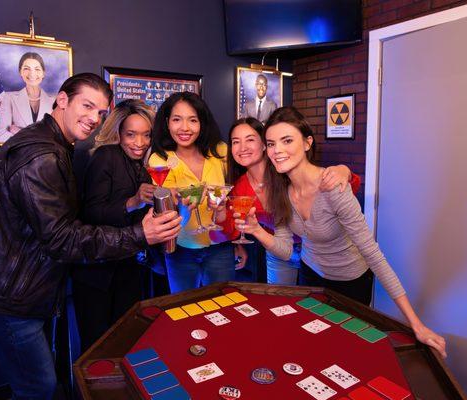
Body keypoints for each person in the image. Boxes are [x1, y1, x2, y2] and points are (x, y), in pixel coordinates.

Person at [0, 73, 182, 399]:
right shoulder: (42, 156)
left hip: (28, 289)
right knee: (40, 388)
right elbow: (63, 237)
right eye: (87, 106)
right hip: (11, 296)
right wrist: (140, 234)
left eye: (100, 112)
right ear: (62, 100)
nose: (93, 119)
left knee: (43, 383)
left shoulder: (57, 145)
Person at [236, 106, 447, 358]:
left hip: (350, 282)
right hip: (310, 276)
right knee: (314, 346)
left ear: (307, 143)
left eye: (287, 140)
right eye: (271, 143)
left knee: (348, 351)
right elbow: (285, 250)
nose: (277, 150)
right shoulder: (280, 189)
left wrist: (416, 324)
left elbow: (373, 255)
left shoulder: (333, 186)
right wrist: (257, 230)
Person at [211, 117, 360, 285]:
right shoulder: (239, 187)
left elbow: (343, 190)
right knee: (281, 303)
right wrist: (221, 215)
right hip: (277, 249)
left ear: (264, 145)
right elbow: (227, 232)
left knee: (316, 304)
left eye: (250, 140)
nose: (242, 147)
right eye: (236, 142)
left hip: (317, 252)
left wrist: (344, 171)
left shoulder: (285, 170)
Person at [71, 99, 157, 352]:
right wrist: (134, 201)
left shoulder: (139, 166)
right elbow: (92, 213)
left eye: (146, 135)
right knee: (98, 346)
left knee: (125, 340)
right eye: (131, 135)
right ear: (118, 132)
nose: (139, 143)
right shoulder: (105, 156)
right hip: (98, 271)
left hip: (126, 264)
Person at [148, 92, 234, 293]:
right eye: (177, 120)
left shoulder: (220, 152)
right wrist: (182, 206)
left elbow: (233, 198)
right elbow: (171, 217)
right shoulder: (160, 161)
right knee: (183, 307)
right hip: (181, 249)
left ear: (202, 123)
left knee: (224, 304)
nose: (184, 128)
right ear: (167, 122)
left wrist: (234, 237)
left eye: (193, 120)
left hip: (220, 246)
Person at [0, 52, 56, 143]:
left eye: (37, 69)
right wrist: (40, 138)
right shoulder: (9, 98)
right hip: (20, 156)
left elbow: (58, 137)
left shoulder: (54, 101)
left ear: (43, 73)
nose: (32, 74)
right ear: (20, 72)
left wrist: (20, 132)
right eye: (27, 69)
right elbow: (0, 135)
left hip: (48, 156)